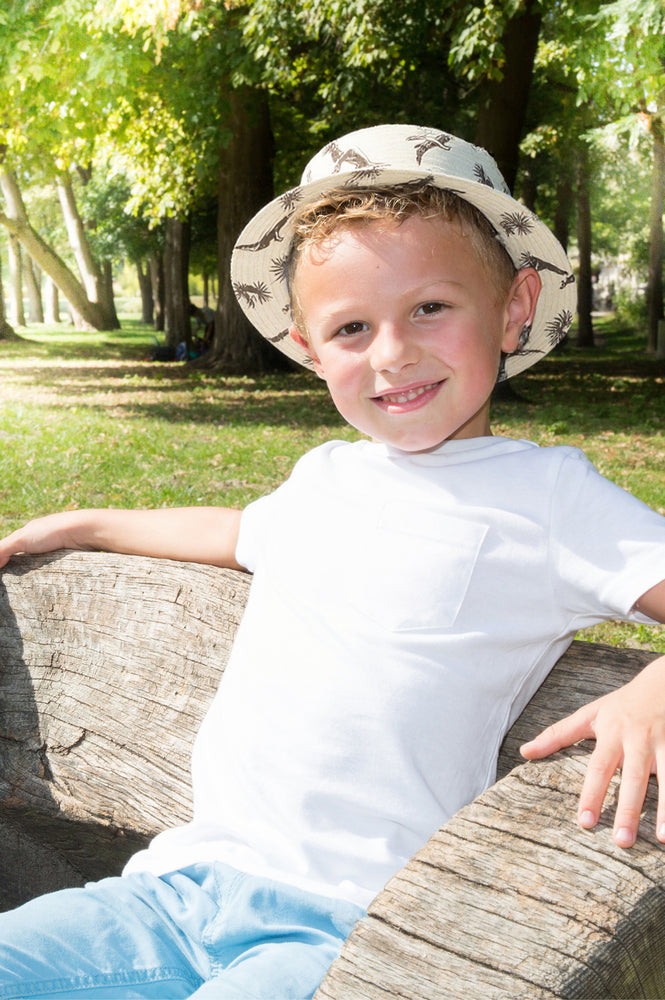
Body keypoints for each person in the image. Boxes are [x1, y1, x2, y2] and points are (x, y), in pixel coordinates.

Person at [0, 123, 664, 999]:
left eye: (430, 307)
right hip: (175, 890)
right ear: (311, 349)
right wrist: (81, 523)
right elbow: (238, 533)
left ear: (511, 307)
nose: (392, 353)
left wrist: (650, 687)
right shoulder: (324, 478)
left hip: (344, 921)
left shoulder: (545, 496)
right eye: (351, 327)